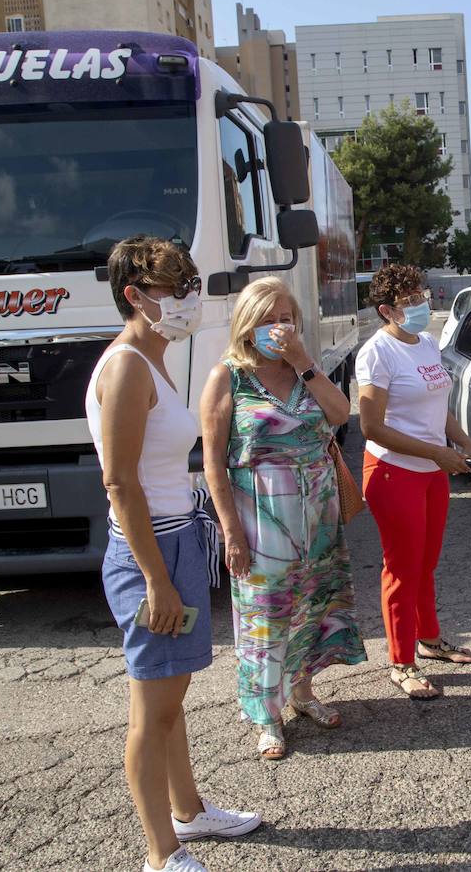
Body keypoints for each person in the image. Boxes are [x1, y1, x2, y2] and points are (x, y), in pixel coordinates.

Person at [86, 236, 260, 872]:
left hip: (178, 536)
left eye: (190, 285)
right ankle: (162, 854)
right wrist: (157, 581)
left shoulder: (154, 359)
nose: (189, 298)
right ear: (134, 296)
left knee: (170, 696)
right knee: (152, 709)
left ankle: (189, 811)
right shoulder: (127, 364)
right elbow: (119, 482)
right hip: (149, 551)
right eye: (174, 289)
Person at [200, 277, 365, 760]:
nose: (279, 327)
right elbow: (212, 463)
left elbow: (340, 413)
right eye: (268, 319)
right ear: (247, 326)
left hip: (318, 516)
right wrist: (231, 532)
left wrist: (302, 362)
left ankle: (302, 692)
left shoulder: (303, 371)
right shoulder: (227, 376)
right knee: (265, 618)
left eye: (286, 318)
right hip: (261, 519)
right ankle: (266, 715)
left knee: (311, 608)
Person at [356, 263, 471, 699]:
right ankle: (400, 661)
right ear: (386, 310)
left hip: (433, 471)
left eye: (421, 295)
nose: (420, 304)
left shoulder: (427, 343)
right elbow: (371, 427)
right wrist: (436, 453)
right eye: (409, 301)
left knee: (425, 563)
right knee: (401, 567)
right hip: (394, 472)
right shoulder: (376, 353)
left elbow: (440, 411)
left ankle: (429, 640)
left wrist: (467, 445)